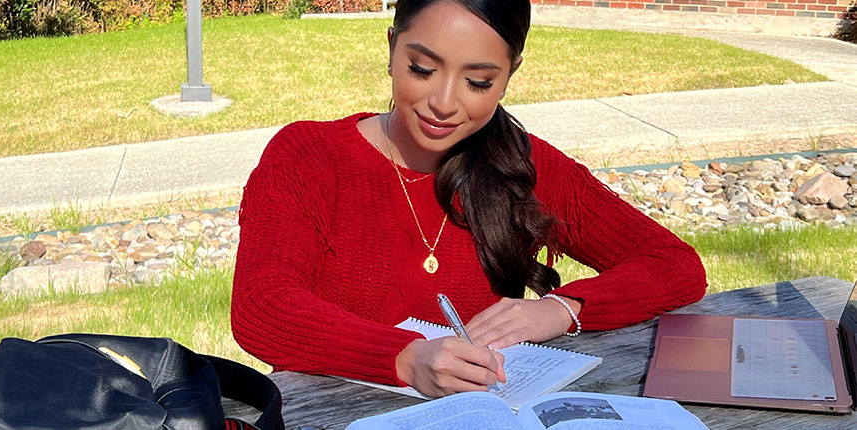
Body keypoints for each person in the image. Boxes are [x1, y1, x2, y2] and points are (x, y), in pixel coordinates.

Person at [231, 0, 706, 398]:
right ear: (392, 47)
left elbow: (674, 264)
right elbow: (262, 304)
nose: (444, 102)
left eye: (479, 82)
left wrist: (560, 310)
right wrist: (403, 357)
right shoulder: (309, 156)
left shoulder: (523, 164)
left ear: (510, 74)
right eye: (422, 68)